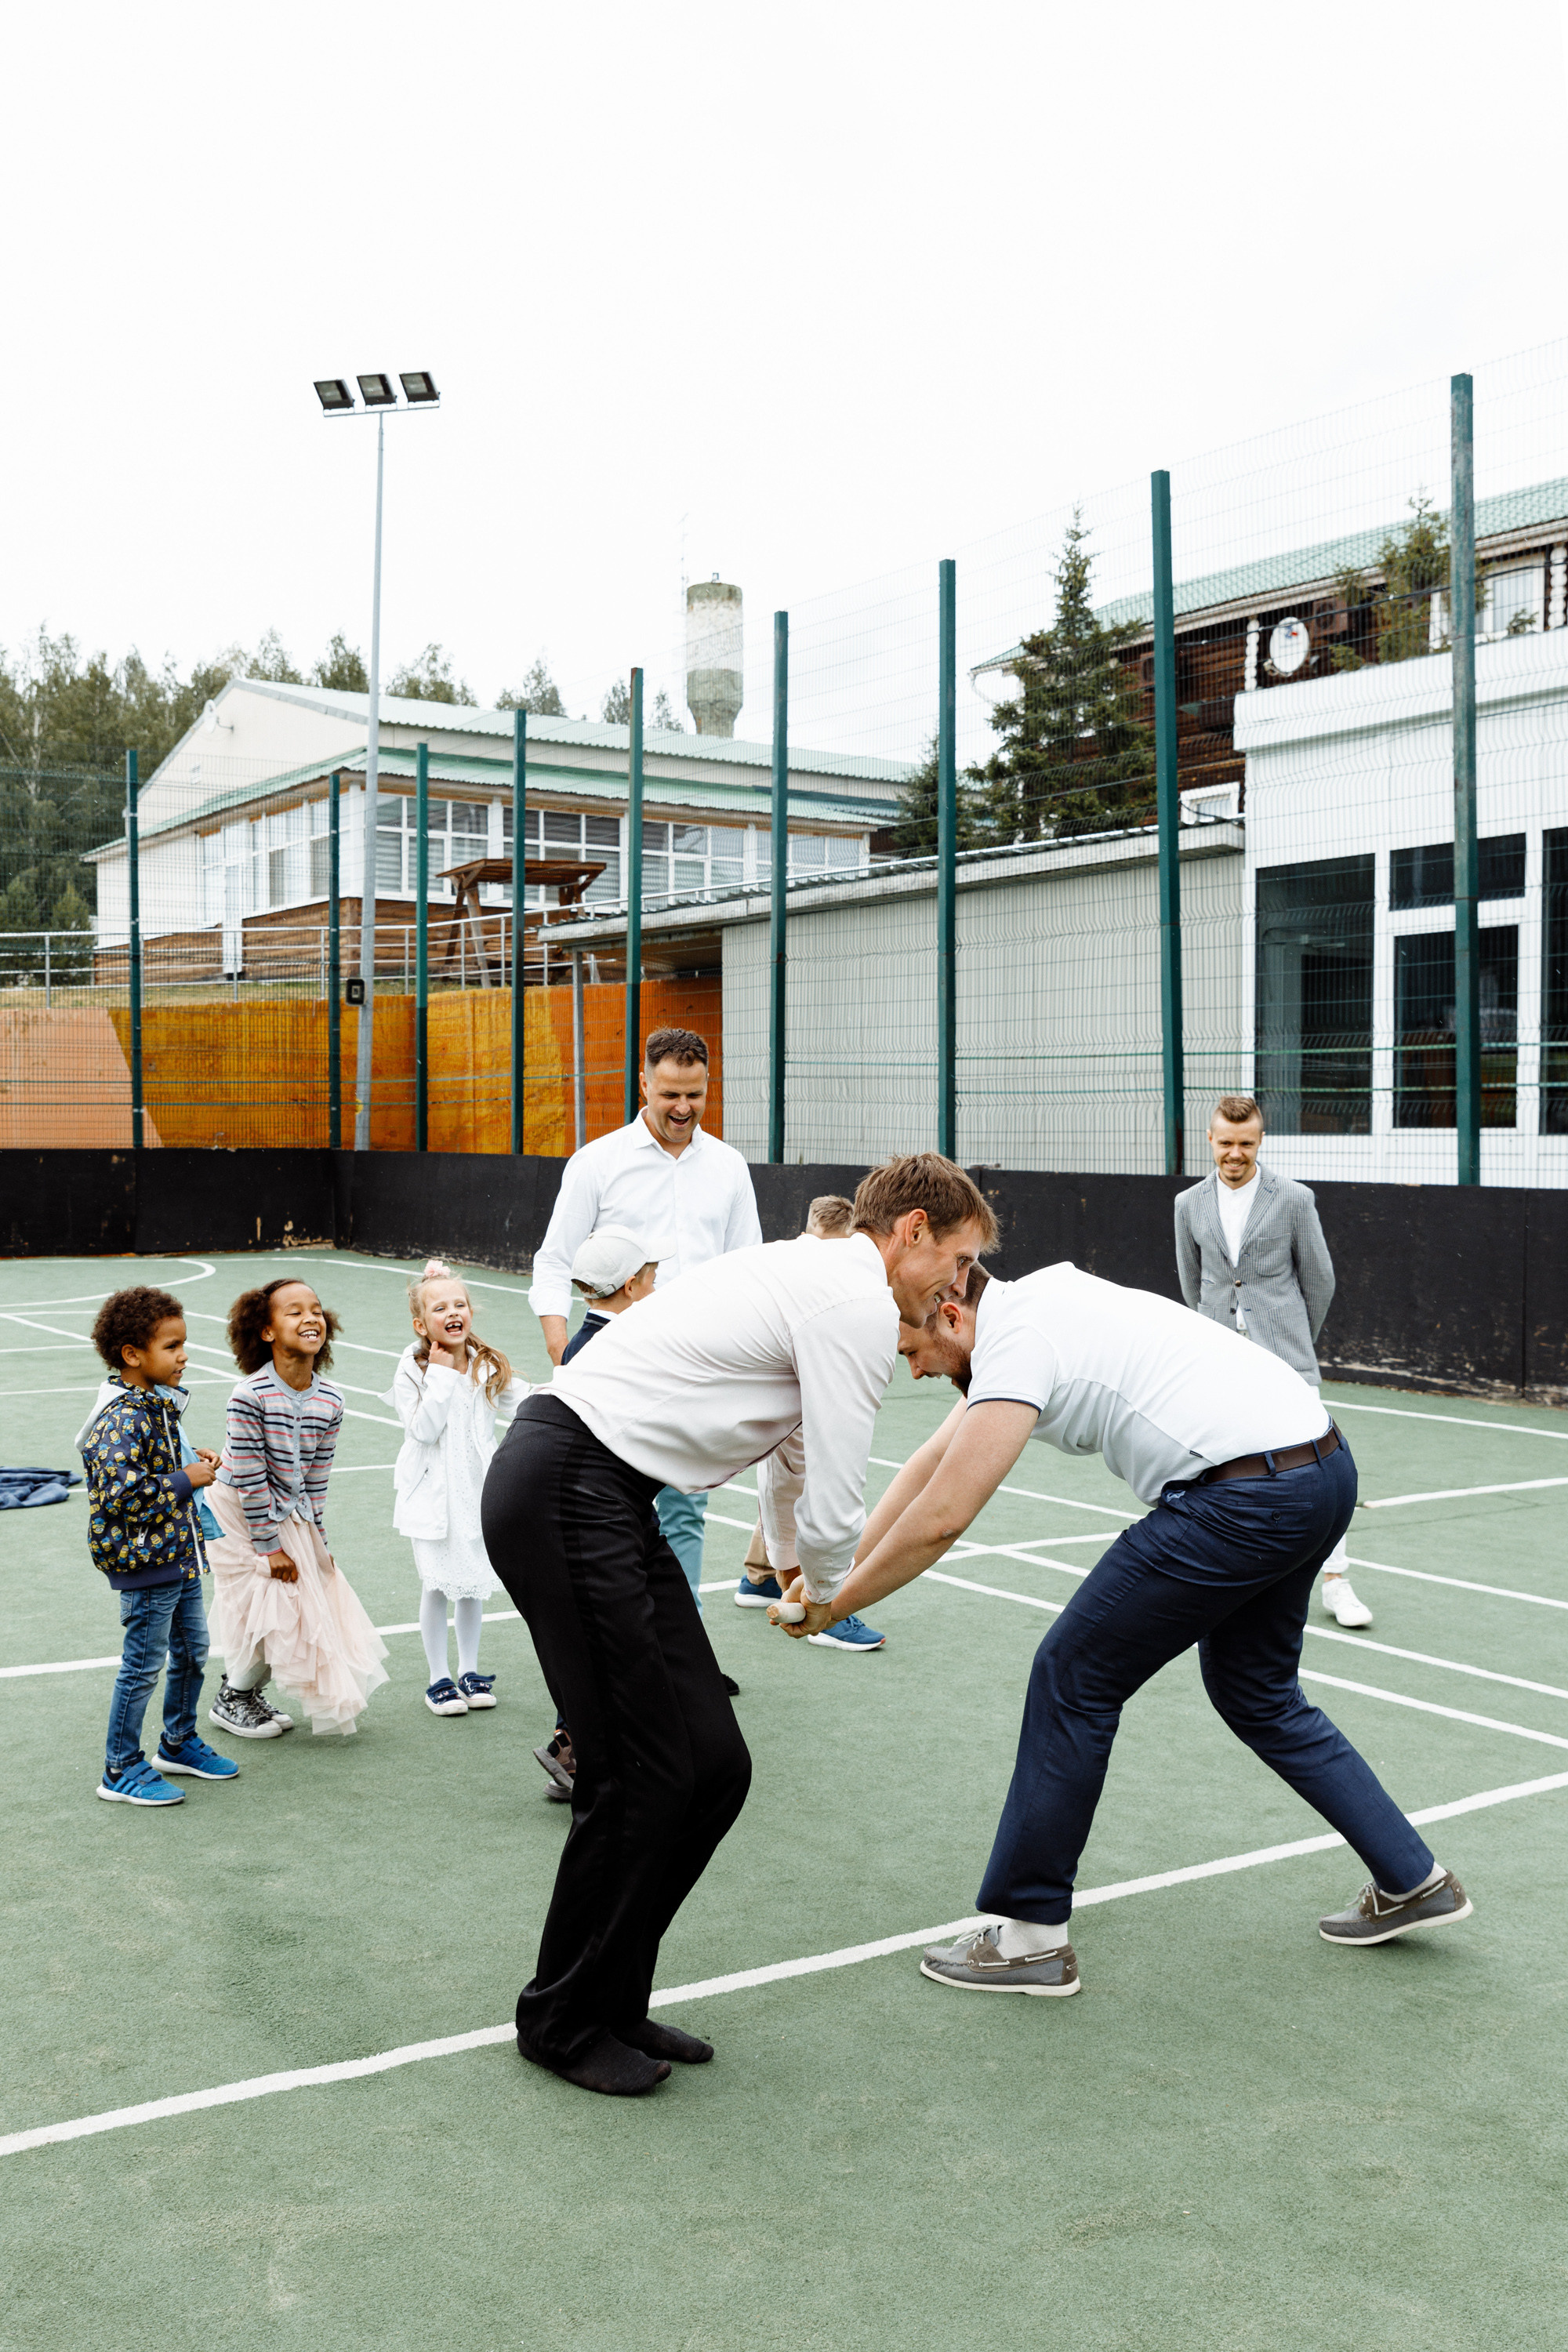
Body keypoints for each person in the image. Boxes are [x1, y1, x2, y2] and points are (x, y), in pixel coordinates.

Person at [775, 1260, 1472, 1996]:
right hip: (1323, 1471)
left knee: (1073, 1676)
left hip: (1242, 1497)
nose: (913, 1371)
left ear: (950, 1314)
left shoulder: (1015, 1347)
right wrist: (829, 1575)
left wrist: (837, 1604)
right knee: (1258, 1694)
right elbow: (929, 1463)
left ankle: (1031, 1939)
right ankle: (1414, 1879)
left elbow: (943, 1518)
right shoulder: (1031, 1300)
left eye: (912, 1352)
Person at [482, 1154, 995, 2097]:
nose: (955, 1287)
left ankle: (612, 1997)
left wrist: (798, 1570)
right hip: (565, 1484)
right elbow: (841, 1489)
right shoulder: (848, 1301)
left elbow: (790, 1461)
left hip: (602, 1493)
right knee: (635, 1773)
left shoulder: (827, 1282)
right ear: (911, 1231)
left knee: (714, 1768)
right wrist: (832, 1594)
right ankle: (557, 2019)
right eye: (955, 1259)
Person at [528, 1026, 762, 1613]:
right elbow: (555, 1259)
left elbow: (745, 1267)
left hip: (698, 1366)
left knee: (688, 1506)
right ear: (644, 1086)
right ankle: (617, 1640)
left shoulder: (730, 1167)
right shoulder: (597, 1163)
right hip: (613, 1363)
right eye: (669, 1096)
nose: (683, 1108)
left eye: (695, 1095)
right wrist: (562, 1349)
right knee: (606, 1505)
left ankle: (683, 1651)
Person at [1175, 1094, 1373, 1631]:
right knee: (1220, 1469)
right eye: (1225, 1143)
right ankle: (1233, 1579)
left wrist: (1294, 1343)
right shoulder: (1188, 1204)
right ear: (1210, 1142)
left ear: (1259, 1142)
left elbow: (1319, 1280)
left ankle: (1336, 1581)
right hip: (1221, 1362)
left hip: (1287, 1358)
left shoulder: (1293, 1199)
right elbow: (1194, 1285)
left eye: (1245, 1143)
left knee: (1316, 1467)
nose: (1234, 1153)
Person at [79, 1286, 241, 1806]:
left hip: (179, 1558)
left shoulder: (155, 1406)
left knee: (192, 1652)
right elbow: (120, 1494)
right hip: (147, 1566)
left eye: (182, 1344)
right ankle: (120, 1767)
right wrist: (185, 1481)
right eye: (172, 1346)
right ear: (132, 1355)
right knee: (143, 1665)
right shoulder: (122, 1417)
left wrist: (193, 1462)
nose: (184, 1355)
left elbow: (159, 1465)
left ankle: (178, 1743)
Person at [205, 1279, 388, 1738]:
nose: (310, 1319)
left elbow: (316, 1479)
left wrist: (318, 1542)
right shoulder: (248, 1396)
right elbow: (247, 1478)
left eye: (317, 1310)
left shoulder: (331, 1400)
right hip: (238, 1511)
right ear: (266, 1331)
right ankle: (232, 1699)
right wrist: (269, 1549)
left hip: (287, 1507)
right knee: (278, 1607)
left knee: (308, 1599)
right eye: (294, 1312)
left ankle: (241, 1692)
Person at [532, 1225, 660, 1802]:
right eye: (653, 1275)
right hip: (594, 1511)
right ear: (632, 1285)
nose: (659, 1283)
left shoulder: (584, 1341)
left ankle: (580, 1743)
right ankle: (576, 1749)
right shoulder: (614, 1346)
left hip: (588, 1507)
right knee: (600, 1636)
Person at [735, 1193, 886, 1653]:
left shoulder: (782, 1257)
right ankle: (812, 1594)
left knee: (785, 1470)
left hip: (761, 1376)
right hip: (757, 1386)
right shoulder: (823, 1277)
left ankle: (759, 1576)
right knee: (796, 1473)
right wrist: (819, 1591)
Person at [392, 1258, 529, 1719]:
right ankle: (438, 1678)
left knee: (471, 1584)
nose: (453, 1313)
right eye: (440, 1308)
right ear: (421, 1322)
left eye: (460, 1304)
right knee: (436, 1585)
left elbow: (523, 1400)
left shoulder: (486, 1365)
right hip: (432, 1494)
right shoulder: (412, 1368)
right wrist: (442, 1375)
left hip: (477, 1490)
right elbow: (423, 1431)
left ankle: (470, 1670)